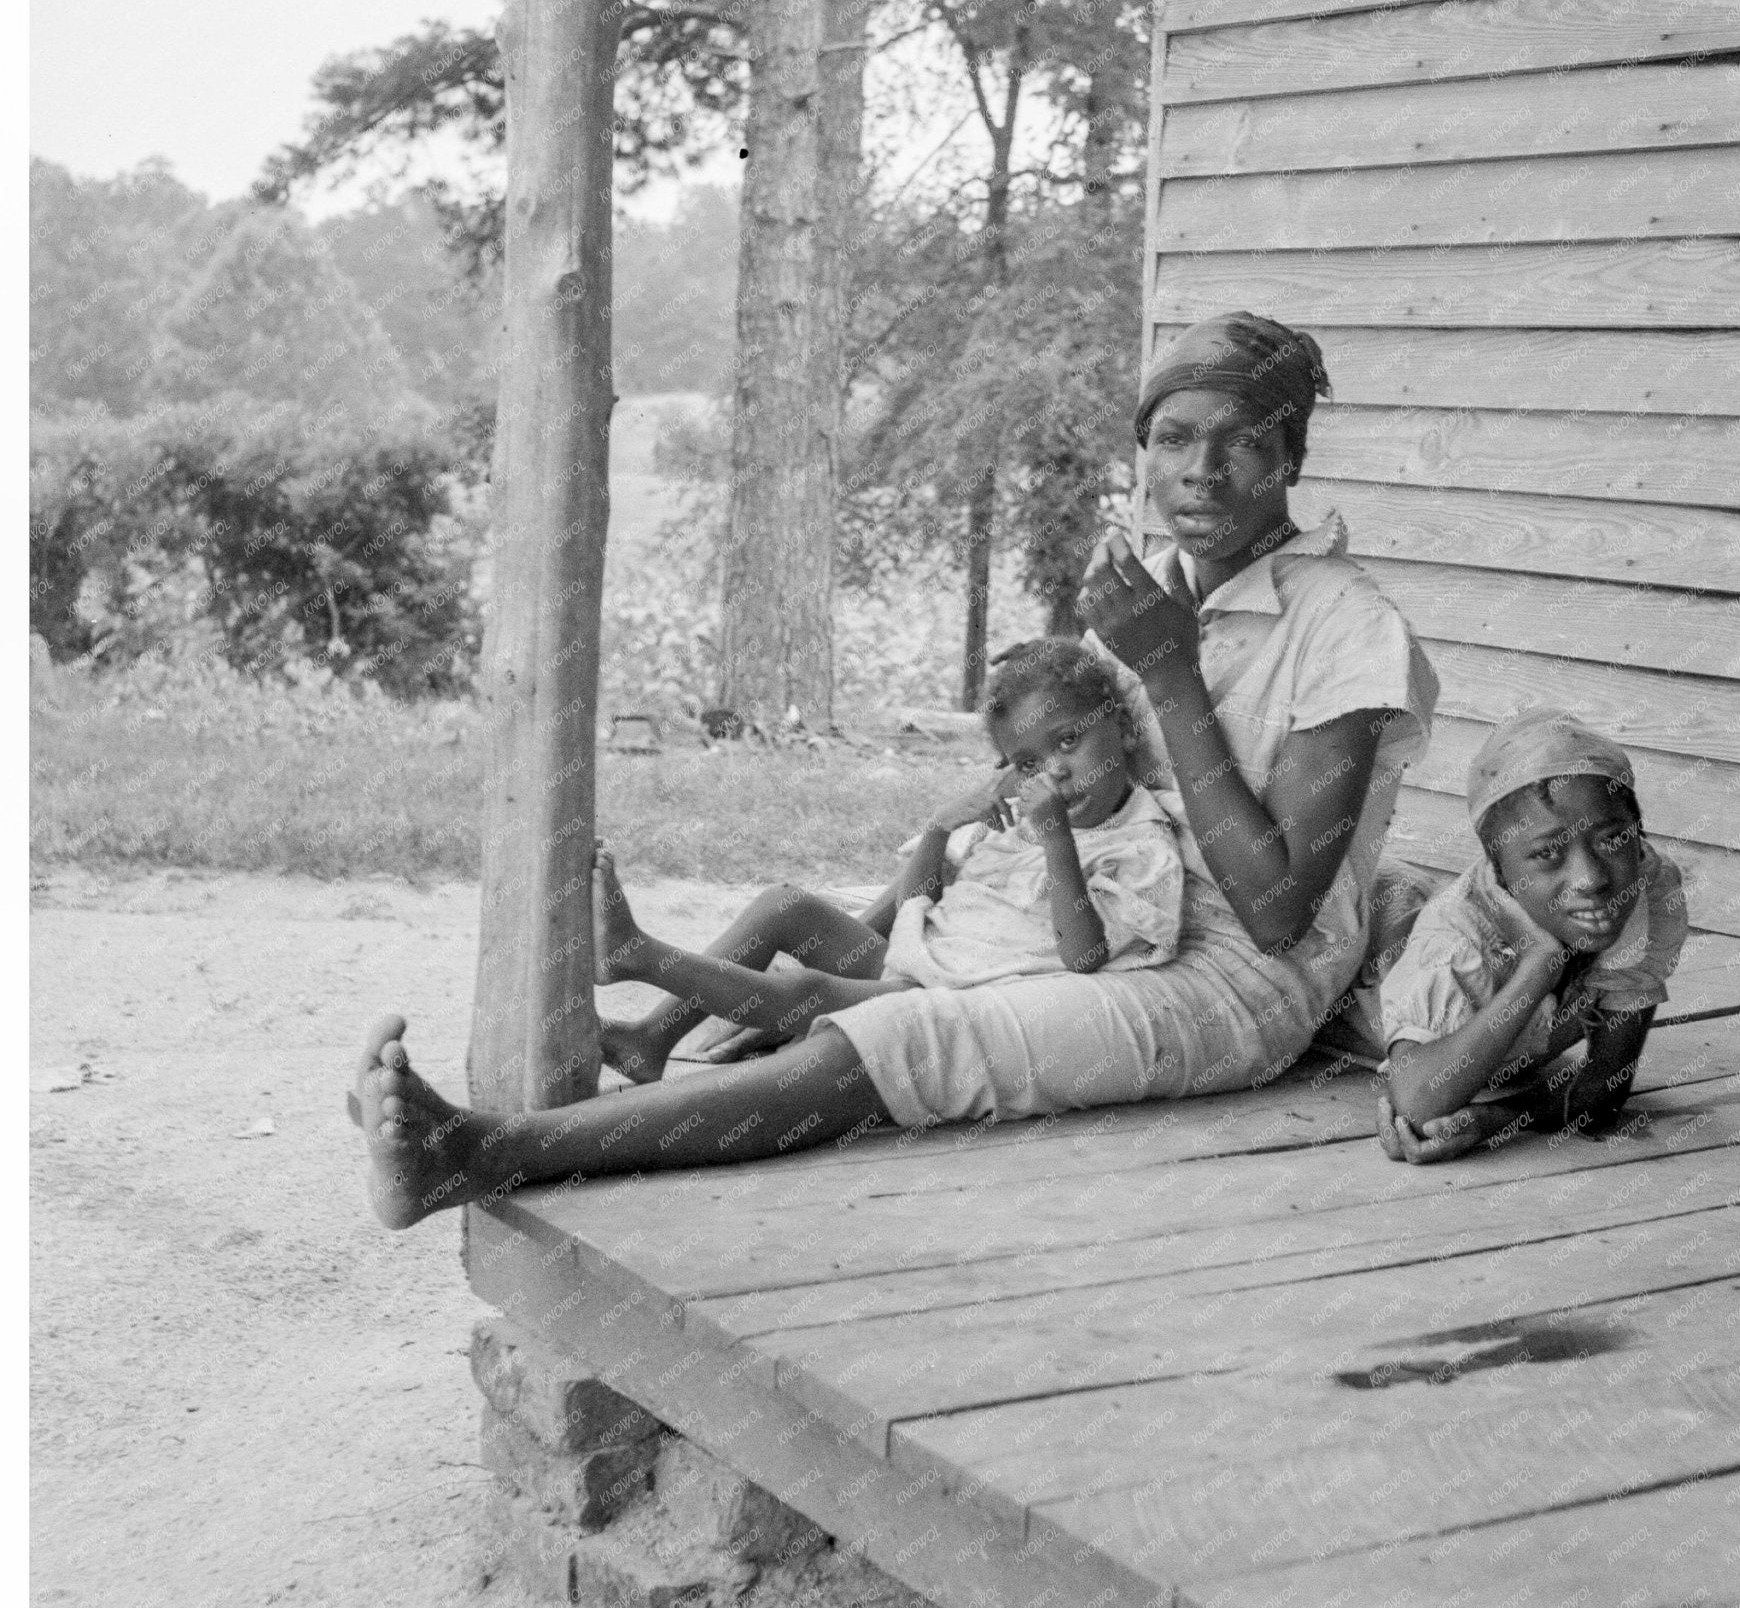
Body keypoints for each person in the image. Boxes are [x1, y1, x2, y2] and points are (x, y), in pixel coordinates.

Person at [353, 311, 1438, 1228]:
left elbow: (1276, 916)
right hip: (1094, 924)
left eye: (1243, 441)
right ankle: (620, 1072)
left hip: (1226, 984)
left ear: (1291, 457)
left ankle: (479, 1151)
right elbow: (1065, 785)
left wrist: (1168, 670)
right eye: (1172, 438)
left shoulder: (1345, 627)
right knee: (853, 968)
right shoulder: (1151, 587)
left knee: (902, 1034)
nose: (1200, 469)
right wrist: (932, 869)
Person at [586, 638, 1186, 1062]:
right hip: (920, 959)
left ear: (1123, 728)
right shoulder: (1021, 822)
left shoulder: (1141, 844)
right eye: (1028, 763)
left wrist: (1057, 842)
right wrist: (940, 828)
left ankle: (638, 954)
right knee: (783, 906)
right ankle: (651, 1039)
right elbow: (915, 907)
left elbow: (1085, 956)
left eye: (1070, 740)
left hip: (953, 1000)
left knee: (810, 992)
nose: (1054, 772)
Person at [1374, 708, 1689, 1166]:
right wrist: (1539, 965)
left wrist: (1497, 1118)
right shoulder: (1456, 940)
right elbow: (1418, 1106)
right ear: (1499, 869)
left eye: (1613, 839)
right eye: (1547, 853)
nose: (1591, 879)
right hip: (1347, 958)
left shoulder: (1647, 888)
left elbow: (1605, 1087)